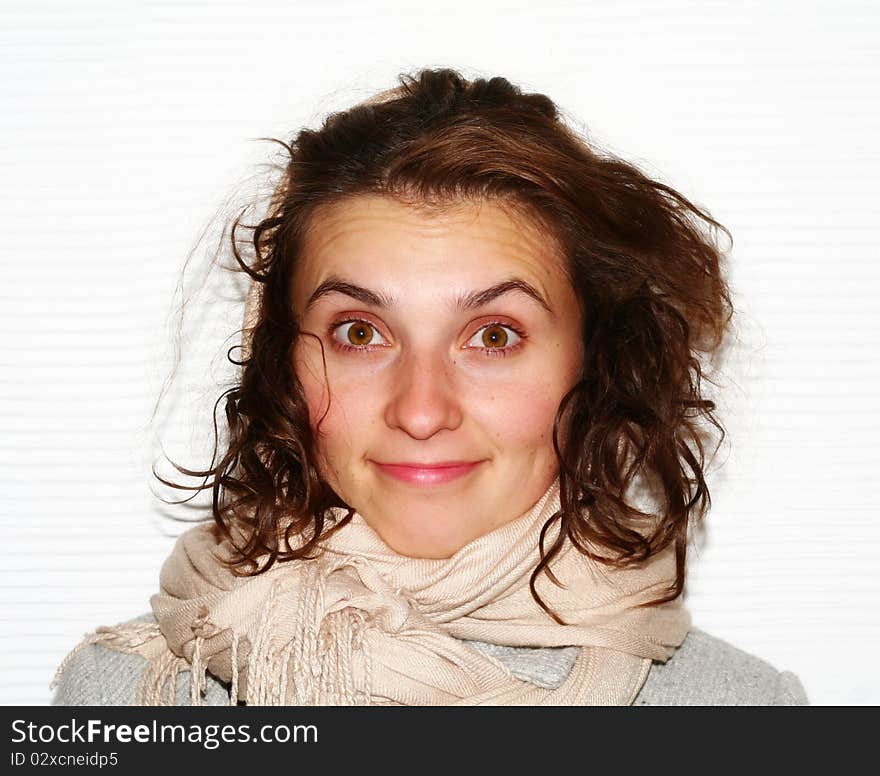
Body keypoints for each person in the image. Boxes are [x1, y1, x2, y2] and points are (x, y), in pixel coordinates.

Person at [51, 67, 807, 706]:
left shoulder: (741, 708)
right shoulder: (132, 696)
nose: (419, 410)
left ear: (595, 362)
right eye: (359, 333)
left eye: (494, 336)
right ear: (281, 362)